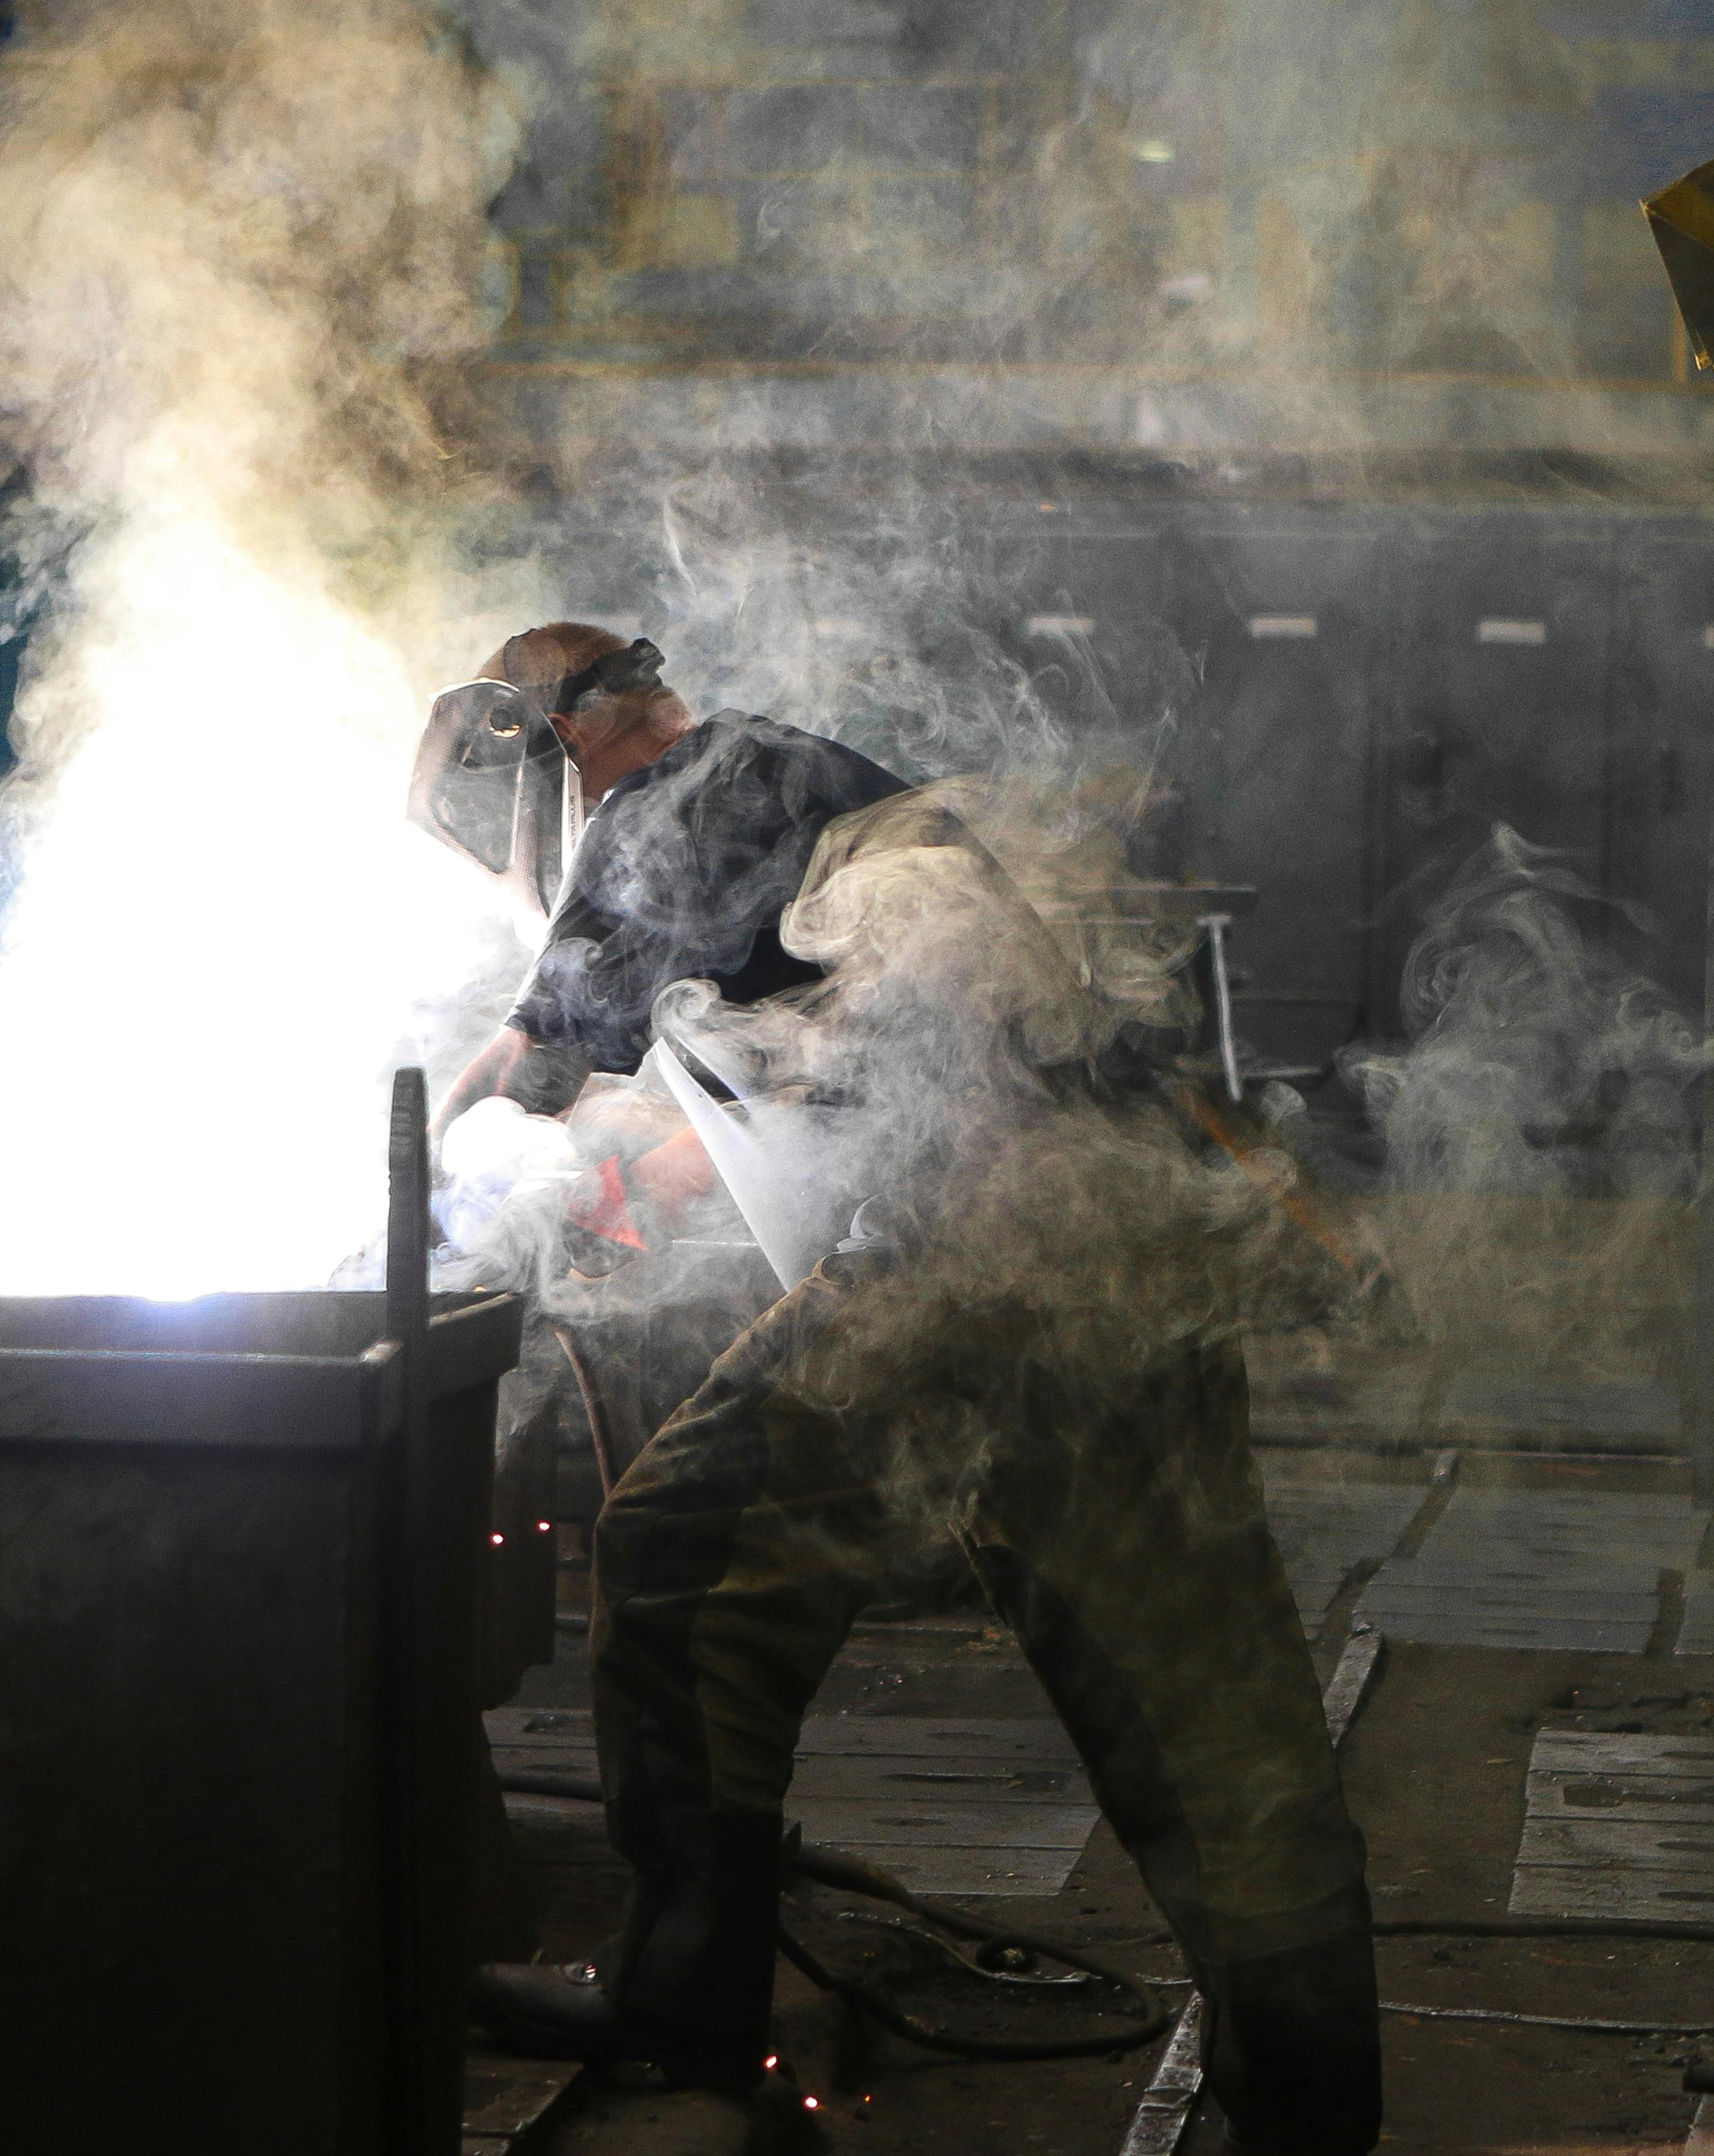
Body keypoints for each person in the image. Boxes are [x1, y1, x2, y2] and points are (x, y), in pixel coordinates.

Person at [431, 624, 1382, 2156]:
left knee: (680, 1556)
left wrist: (402, 1182)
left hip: (994, 1253)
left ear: (549, 746)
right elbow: (849, 1039)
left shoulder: (685, 785)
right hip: (1107, 1248)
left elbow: (532, 1060)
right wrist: (669, 1167)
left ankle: (684, 2000)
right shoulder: (813, 807)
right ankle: (1306, 2108)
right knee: (1191, 1701)